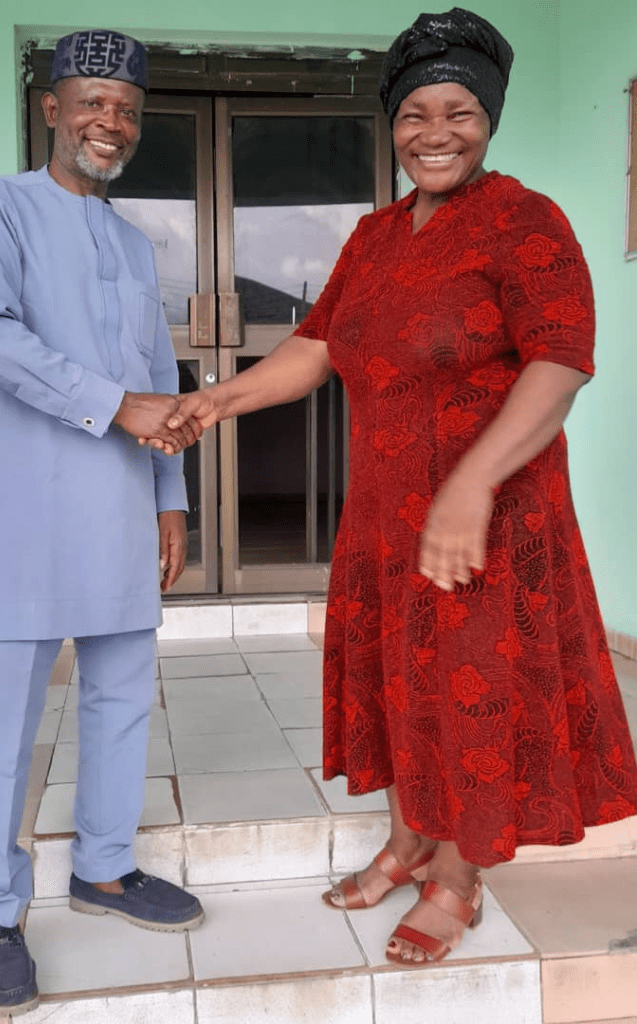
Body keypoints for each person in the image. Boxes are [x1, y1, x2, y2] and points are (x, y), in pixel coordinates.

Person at [152, 7, 637, 968]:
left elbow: (560, 361)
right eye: (415, 113)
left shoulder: (524, 220)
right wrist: (215, 401)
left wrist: (471, 485)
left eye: (459, 112)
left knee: (471, 691)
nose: (434, 133)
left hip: (489, 515)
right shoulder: (373, 236)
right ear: (392, 124)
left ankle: (457, 876)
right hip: (384, 514)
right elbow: (315, 346)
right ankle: (409, 840)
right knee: (400, 682)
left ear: (488, 120)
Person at [0, 30, 203, 1016]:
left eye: (126, 109)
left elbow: (157, 377)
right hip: (19, 510)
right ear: (51, 109)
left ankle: (103, 866)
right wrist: (117, 403)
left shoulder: (134, 244)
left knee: (121, 697)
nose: (110, 121)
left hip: (119, 509)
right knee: (4, 723)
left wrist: (170, 499)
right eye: (92, 101)